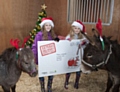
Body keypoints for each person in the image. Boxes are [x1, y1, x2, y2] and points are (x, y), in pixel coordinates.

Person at [31, 17, 59, 92]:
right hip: (42, 58)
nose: (48, 27)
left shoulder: (53, 35)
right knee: (42, 73)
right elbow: (35, 46)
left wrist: (58, 41)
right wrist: (34, 55)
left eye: (49, 25)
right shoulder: (39, 35)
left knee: (51, 72)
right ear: (43, 26)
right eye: (46, 25)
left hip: (51, 58)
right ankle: (42, 87)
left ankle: (49, 87)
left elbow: (58, 45)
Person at [64, 20, 88, 89]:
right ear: (73, 28)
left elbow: (87, 44)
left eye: (78, 28)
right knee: (69, 68)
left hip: (79, 54)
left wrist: (84, 42)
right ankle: (66, 81)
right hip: (71, 54)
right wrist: (69, 42)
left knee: (78, 69)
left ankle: (76, 82)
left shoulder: (83, 36)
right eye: (75, 28)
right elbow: (65, 44)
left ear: (80, 29)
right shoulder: (69, 36)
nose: (77, 30)